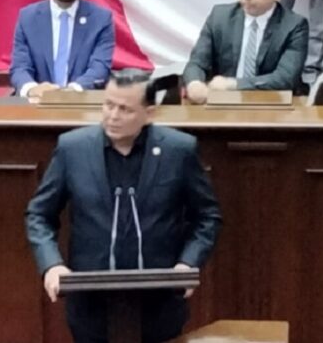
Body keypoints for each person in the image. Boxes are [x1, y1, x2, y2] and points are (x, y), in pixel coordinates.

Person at [25, 69, 222, 343]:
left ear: (149, 113)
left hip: (160, 303)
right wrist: (52, 265)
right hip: (90, 304)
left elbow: (207, 216)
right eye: (108, 105)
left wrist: (187, 262)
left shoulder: (179, 150)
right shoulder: (73, 148)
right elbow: (39, 215)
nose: (113, 116)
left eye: (125, 109)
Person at [183, 0, 309, 104]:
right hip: (222, 105)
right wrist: (194, 84)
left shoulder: (294, 25)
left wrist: (234, 84)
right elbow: (197, 63)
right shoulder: (220, 17)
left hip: (271, 106)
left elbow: (285, 78)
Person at [10, 0, 115, 98]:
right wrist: (32, 89)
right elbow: (20, 67)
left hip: (82, 102)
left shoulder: (101, 19)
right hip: (37, 104)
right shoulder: (28, 17)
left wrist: (71, 92)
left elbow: (100, 68)